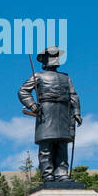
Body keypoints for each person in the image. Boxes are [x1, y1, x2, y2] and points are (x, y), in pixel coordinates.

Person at [18, 47, 82, 183]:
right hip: (46, 111)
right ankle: (47, 175)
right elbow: (23, 91)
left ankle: (62, 174)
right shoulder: (38, 76)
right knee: (46, 145)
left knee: (62, 144)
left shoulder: (66, 77)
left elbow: (73, 95)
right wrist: (33, 105)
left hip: (64, 112)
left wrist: (76, 112)